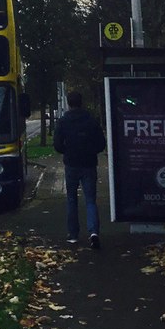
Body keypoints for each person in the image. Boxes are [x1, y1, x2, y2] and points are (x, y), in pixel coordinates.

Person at [54, 91, 107, 249]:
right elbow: (101, 143)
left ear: (69, 103)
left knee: (71, 199)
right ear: (81, 102)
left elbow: (57, 145)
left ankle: (73, 235)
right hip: (89, 163)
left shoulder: (63, 122)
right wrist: (91, 151)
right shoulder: (91, 120)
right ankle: (94, 232)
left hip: (71, 164)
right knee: (90, 199)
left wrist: (68, 151)